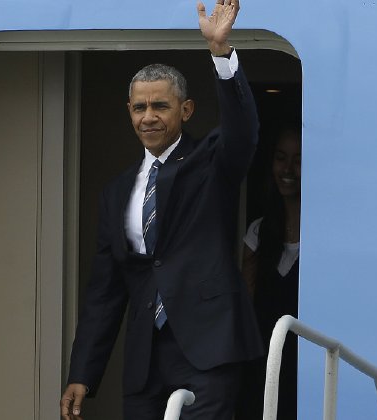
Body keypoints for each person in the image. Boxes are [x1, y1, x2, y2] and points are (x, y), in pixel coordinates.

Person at [59, 0, 264, 419]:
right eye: (140, 108)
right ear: (129, 113)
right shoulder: (117, 192)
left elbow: (243, 132)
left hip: (209, 348)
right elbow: (105, 292)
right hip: (145, 361)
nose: (148, 117)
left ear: (186, 110)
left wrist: (221, 54)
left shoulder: (210, 161)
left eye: (161, 106)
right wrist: (83, 373)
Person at [236, 126, 301, 420]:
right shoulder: (257, 233)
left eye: (298, 160)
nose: (287, 169)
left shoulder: (324, 239)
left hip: (307, 370)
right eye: (280, 158)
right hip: (263, 369)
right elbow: (246, 310)